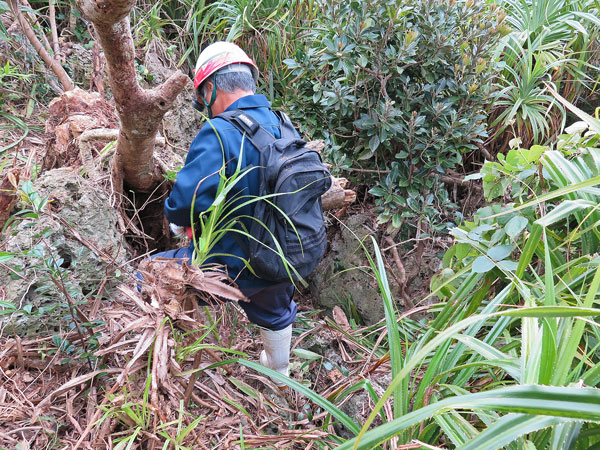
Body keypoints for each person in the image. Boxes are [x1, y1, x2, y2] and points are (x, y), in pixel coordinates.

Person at [152, 42, 296, 386]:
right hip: (284, 264)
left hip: (230, 270)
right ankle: (280, 377)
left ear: (211, 87)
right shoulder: (284, 126)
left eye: (202, 98)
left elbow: (184, 202)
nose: (204, 107)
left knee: (149, 276)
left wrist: (178, 222)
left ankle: (182, 366)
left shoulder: (219, 131)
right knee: (275, 310)